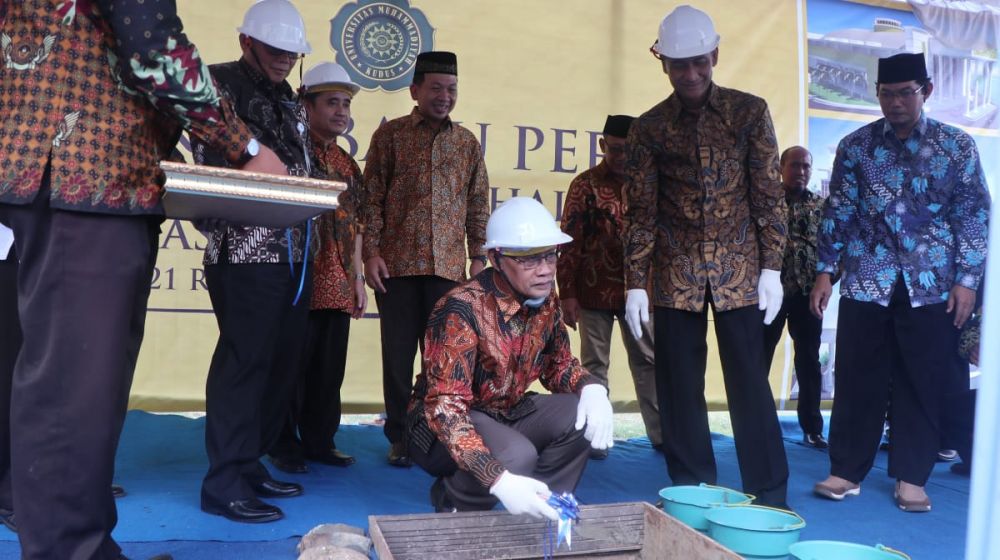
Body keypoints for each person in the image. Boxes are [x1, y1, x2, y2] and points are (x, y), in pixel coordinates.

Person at [0, 0, 280, 556]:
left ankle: (85, 544)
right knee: (71, 389)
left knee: (77, 382)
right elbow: (152, 45)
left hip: (68, 174)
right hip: (83, 178)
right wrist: (243, 147)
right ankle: (68, 549)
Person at [622, 5, 791, 508]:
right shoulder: (648, 128)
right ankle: (691, 488)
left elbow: (768, 194)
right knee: (678, 385)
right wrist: (636, 280)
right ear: (663, 64)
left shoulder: (749, 111)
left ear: (715, 54)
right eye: (679, 64)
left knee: (749, 382)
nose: (690, 74)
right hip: (675, 274)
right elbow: (640, 212)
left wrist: (772, 267)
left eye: (699, 61)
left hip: (741, 272)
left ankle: (769, 491)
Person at [810, 53, 990, 512]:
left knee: (921, 380)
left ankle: (912, 477)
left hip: (931, 284)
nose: (894, 103)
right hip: (868, 279)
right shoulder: (856, 147)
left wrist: (968, 281)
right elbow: (839, 213)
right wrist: (825, 271)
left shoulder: (957, 147)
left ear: (925, 91)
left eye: (904, 93)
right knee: (857, 376)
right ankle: (846, 470)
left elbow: (972, 215)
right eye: (886, 93)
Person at [406, 197, 614, 517]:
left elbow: (557, 363)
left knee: (579, 414)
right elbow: (446, 410)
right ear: (496, 258)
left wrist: (591, 387)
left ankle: (540, 506)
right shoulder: (461, 309)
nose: (545, 270)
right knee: (517, 457)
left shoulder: (543, 297)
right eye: (530, 260)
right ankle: (456, 499)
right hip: (440, 425)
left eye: (550, 256)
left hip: (507, 411)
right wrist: (500, 480)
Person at [193, 0, 314, 524]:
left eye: (292, 52)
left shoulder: (287, 96)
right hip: (244, 251)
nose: (286, 59)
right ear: (246, 42)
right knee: (242, 365)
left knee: (275, 364)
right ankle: (223, 484)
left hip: (294, 251)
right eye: (275, 49)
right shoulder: (217, 85)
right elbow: (207, 162)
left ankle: (247, 464)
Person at [361, 51, 490, 467]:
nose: (444, 96)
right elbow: (371, 200)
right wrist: (371, 253)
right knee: (397, 359)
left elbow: (477, 203)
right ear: (415, 90)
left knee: (443, 362)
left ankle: (438, 435)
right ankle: (399, 436)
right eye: (435, 88)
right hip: (396, 268)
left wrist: (478, 257)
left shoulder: (467, 142)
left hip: (449, 269)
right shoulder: (391, 136)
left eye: (451, 89)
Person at [269, 62, 367, 470]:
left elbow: (359, 226)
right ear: (305, 106)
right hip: (297, 279)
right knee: (289, 368)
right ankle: (282, 445)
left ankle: (319, 442)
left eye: (345, 104)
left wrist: (359, 279)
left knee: (328, 370)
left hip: (337, 281)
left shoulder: (347, 164)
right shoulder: (291, 153)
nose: (341, 111)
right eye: (331, 103)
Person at [557, 115, 661, 458]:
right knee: (593, 364)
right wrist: (567, 293)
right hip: (593, 290)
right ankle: (595, 436)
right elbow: (569, 243)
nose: (622, 156)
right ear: (603, 146)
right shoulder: (584, 185)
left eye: (629, 150)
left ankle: (661, 435)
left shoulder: (648, 184)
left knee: (648, 361)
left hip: (641, 291)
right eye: (615, 149)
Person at [761, 146, 827, 448]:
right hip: (770, 295)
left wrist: (827, 283)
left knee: (809, 363)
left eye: (806, 166)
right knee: (758, 359)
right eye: (795, 165)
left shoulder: (822, 207)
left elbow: (833, 251)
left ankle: (812, 428)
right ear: (780, 167)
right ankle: (755, 423)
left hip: (807, 296)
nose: (801, 171)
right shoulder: (765, 203)